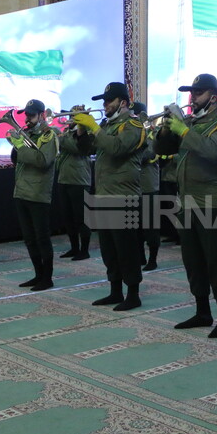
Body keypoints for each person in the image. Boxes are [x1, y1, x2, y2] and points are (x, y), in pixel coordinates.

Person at [155, 73, 217, 337]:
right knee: (193, 262)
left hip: (215, 204)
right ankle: (202, 312)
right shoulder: (190, 122)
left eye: (198, 93)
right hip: (187, 203)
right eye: (191, 92)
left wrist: (185, 131)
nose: (193, 97)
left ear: (213, 96)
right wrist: (168, 128)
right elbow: (161, 149)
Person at [75, 83, 145, 311]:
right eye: (103, 101)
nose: (104, 105)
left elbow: (117, 148)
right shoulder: (106, 125)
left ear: (122, 102)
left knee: (127, 249)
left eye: (108, 101)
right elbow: (86, 150)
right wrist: (81, 130)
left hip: (123, 196)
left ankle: (133, 294)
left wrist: (94, 128)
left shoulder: (133, 125)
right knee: (108, 248)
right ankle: (115, 291)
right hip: (104, 194)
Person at [10, 99, 58, 291]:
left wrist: (21, 147)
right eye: (27, 115)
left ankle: (47, 277)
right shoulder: (26, 133)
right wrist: (15, 144)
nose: (28, 119)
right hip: (21, 190)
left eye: (31, 115)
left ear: (42, 115)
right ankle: (38, 274)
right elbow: (16, 160)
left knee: (41, 237)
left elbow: (42, 160)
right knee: (29, 238)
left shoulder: (49, 135)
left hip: (38, 192)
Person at [56, 105, 92, 261]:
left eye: (73, 117)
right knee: (68, 218)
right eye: (70, 117)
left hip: (79, 180)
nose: (69, 120)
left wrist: (60, 136)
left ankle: (84, 250)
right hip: (64, 179)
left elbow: (76, 148)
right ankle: (74, 248)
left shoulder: (85, 133)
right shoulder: (67, 133)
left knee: (82, 218)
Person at [131, 102, 161, 271]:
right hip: (133, 186)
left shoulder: (151, 134)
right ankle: (140, 256)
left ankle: (153, 258)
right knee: (135, 227)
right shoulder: (132, 134)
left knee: (151, 226)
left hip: (149, 186)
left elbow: (149, 153)